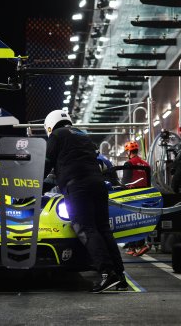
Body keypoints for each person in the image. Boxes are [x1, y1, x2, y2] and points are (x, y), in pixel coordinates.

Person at [43, 110, 127, 293]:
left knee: (85, 228)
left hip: (77, 186)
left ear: (50, 126)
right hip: (97, 183)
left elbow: (46, 164)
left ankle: (106, 272)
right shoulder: (83, 135)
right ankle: (120, 276)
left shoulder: (56, 136)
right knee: (103, 228)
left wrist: (35, 187)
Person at [121, 141, 152, 256]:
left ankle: (141, 245)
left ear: (129, 152)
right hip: (145, 195)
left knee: (131, 221)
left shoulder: (128, 164)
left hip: (132, 195)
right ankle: (134, 247)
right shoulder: (146, 164)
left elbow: (125, 181)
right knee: (141, 220)